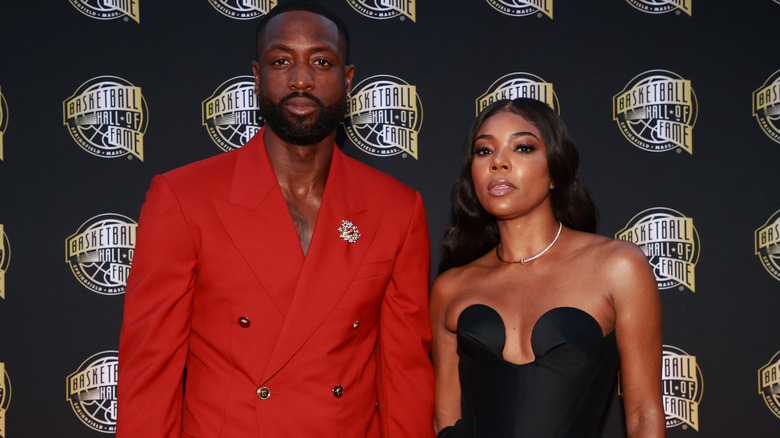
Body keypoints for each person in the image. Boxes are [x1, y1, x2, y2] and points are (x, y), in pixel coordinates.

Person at [116, 1, 434, 436]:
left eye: (321, 62)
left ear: (347, 79)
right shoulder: (184, 197)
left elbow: (405, 379)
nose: (301, 79)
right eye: (281, 61)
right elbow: (150, 370)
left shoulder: (397, 208)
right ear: (256, 76)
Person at [430, 98, 664, 437]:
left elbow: (644, 415)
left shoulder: (618, 268)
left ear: (555, 170)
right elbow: (445, 422)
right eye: (484, 152)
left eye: (522, 147)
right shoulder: (451, 288)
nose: (498, 162)